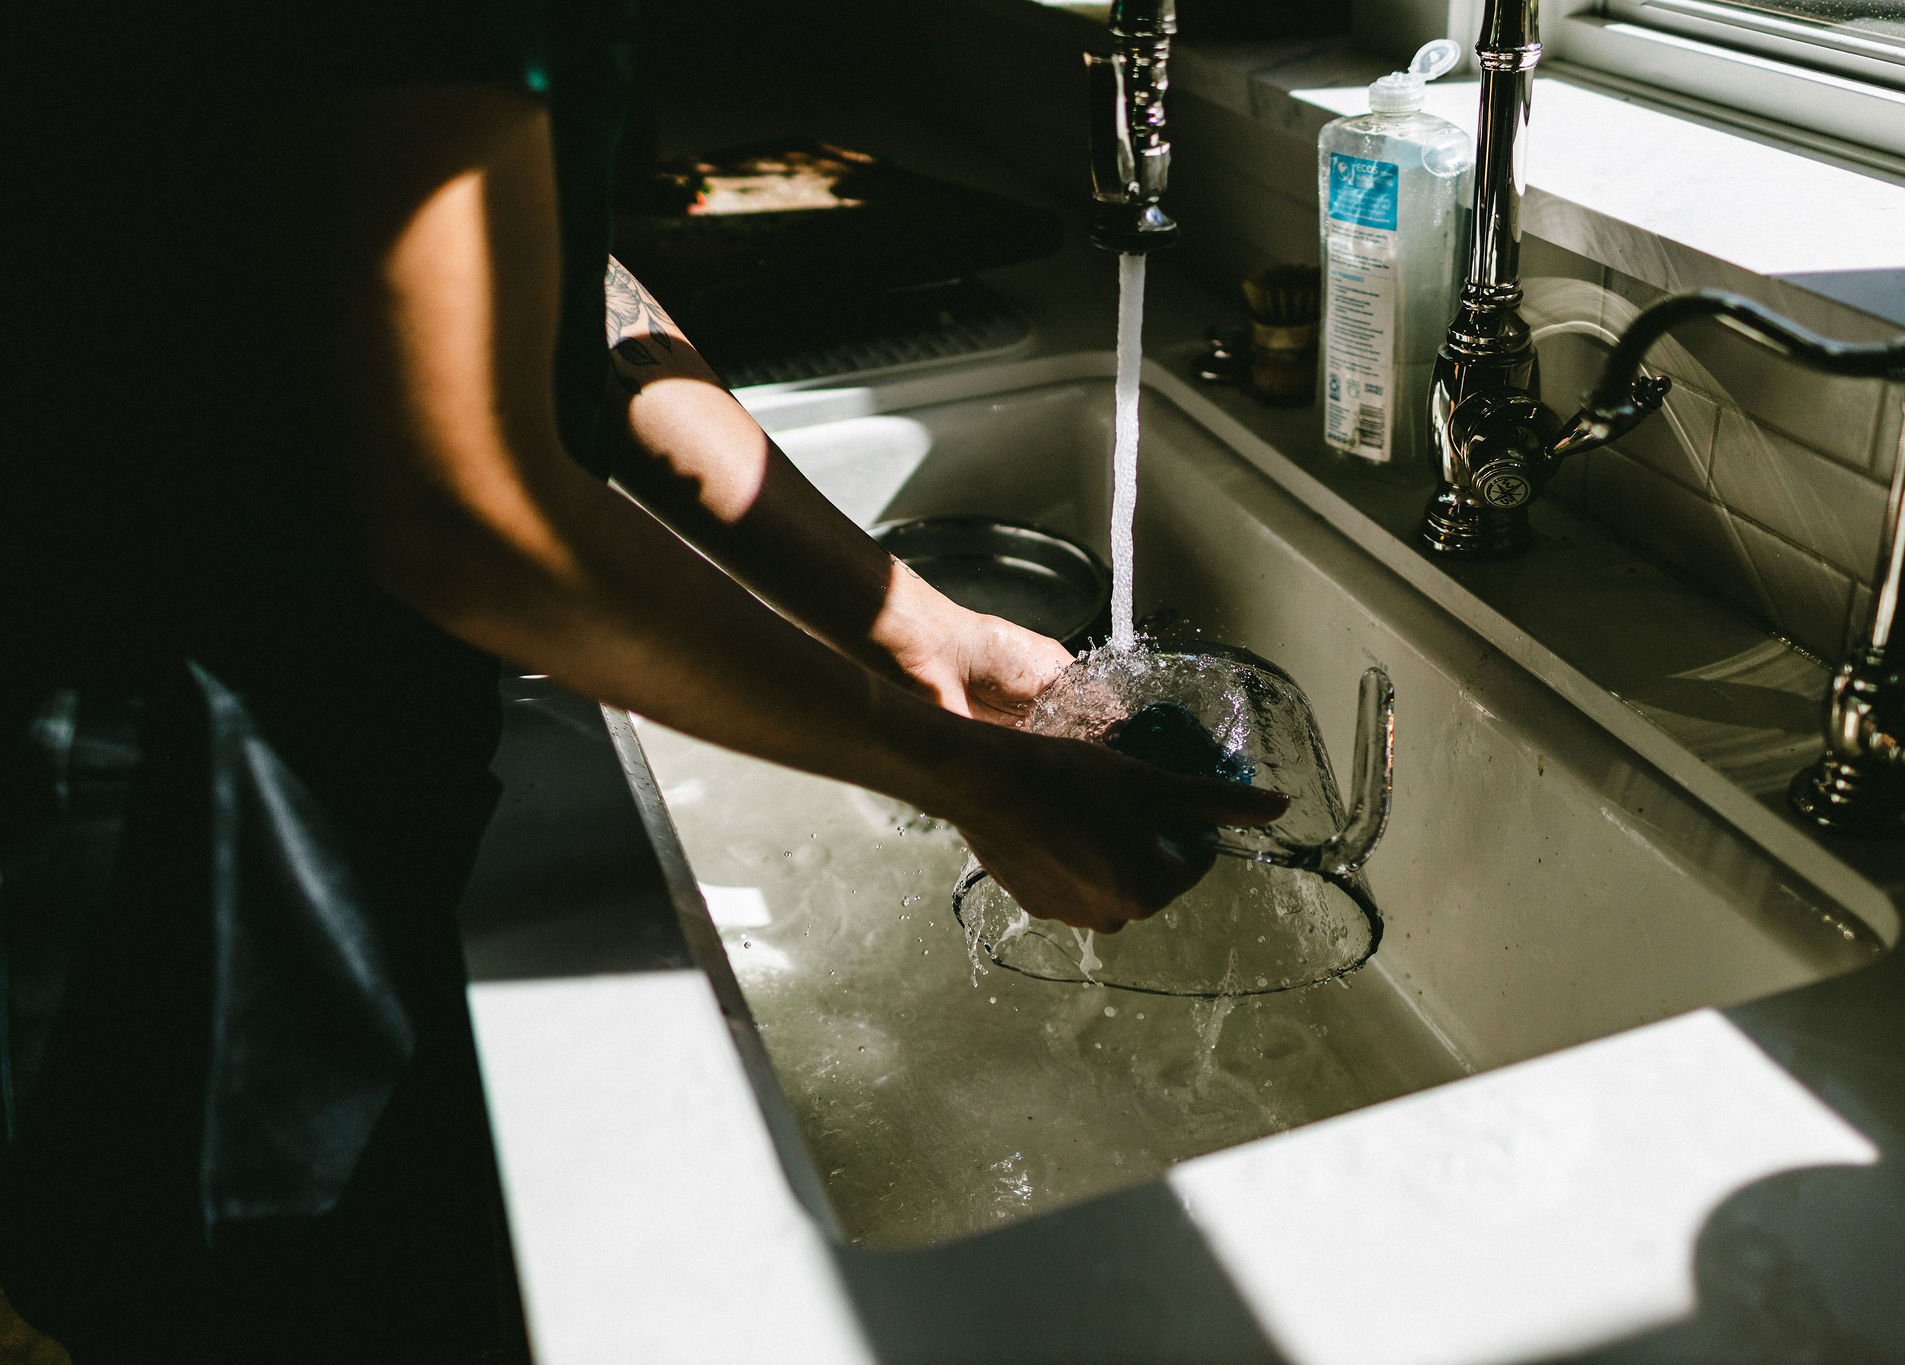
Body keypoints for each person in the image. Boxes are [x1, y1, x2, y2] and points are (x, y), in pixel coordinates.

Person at [1, 4, 1284, 1360]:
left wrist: (910, 622)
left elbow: (550, 296)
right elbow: (464, 509)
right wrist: (968, 772)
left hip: (306, 741)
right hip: (175, 807)